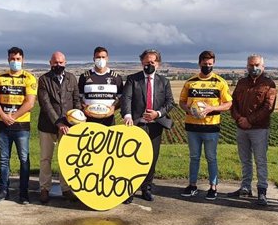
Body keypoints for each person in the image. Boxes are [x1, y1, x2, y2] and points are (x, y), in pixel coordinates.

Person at [122, 49, 175, 203]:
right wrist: (127, 116)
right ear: (142, 63)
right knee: (132, 158)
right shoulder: (133, 79)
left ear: (157, 63)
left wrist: (157, 114)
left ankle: (146, 188)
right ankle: (129, 189)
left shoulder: (164, 81)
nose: (149, 65)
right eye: (146, 62)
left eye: (152, 62)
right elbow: (127, 98)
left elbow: (170, 102)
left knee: (151, 158)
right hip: (137, 125)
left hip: (155, 125)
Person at [179, 50, 232, 200]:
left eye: (210, 64)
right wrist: (189, 109)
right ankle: (192, 185)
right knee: (194, 157)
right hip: (192, 126)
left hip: (211, 127)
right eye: (204, 64)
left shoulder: (220, 82)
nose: (207, 66)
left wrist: (211, 108)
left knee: (211, 157)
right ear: (199, 63)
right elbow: (181, 102)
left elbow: (228, 104)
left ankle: (213, 187)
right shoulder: (190, 82)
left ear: (213, 64)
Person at [227, 54, 277, 206]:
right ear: (247, 66)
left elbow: (268, 107)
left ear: (263, 66)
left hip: (259, 128)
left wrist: (250, 120)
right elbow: (233, 102)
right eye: (251, 65)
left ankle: (262, 190)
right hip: (241, 127)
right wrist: (238, 119)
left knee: (260, 160)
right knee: (245, 160)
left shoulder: (269, 84)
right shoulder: (242, 82)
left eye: (256, 65)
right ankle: (245, 187)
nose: (253, 68)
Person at [0, 47, 37, 204]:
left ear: (23, 59)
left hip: (22, 126)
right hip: (2, 125)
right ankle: (4, 191)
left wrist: (13, 117)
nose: (15, 62)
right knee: (4, 159)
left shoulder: (29, 78)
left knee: (24, 159)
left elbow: (30, 103)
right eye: (12, 59)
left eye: (18, 59)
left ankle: (23, 193)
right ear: (8, 59)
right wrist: (4, 116)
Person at [37, 51, 80, 204]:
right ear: (50, 63)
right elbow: (46, 104)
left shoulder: (72, 79)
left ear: (65, 62)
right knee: (45, 158)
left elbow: (76, 101)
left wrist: (78, 119)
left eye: (61, 62)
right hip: (47, 126)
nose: (58, 65)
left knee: (66, 159)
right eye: (55, 62)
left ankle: (66, 188)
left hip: (68, 128)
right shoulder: (43, 80)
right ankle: (44, 188)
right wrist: (58, 123)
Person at [78, 46, 123, 125]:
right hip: (89, 119)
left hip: (109, 119)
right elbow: (78, 97)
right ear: (93, 59)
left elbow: (121, 98)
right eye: (98, 57)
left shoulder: (116, 77)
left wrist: (114, 108)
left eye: (103, 57)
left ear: (107, 58)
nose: (101, 59)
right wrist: (83, 107)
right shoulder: (85, 77)